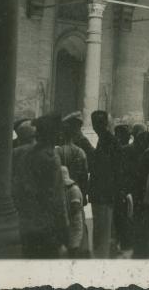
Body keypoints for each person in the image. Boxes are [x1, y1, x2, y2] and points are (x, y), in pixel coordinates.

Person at [12, 112, 68, 259]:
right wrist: (63, 231)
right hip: (46, 227)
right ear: (52, 133)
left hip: (27, 223)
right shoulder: (50, 157)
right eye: (59, 130)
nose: (62, 134)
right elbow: (56, 198)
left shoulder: (26, 153)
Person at [88, 110, 121, 259]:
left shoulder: (108, 141)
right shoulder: (106, 139)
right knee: (102, 230)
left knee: (103, 230)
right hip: (103, 194)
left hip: (104, 194)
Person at [125, 131, 149, 258]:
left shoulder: (147, 155)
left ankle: (142, 249)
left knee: (141, 220)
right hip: (146, 193)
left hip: (142, 193)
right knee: (146, 219)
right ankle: (144, 247)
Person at [57, 120, 89, 206]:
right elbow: (84, 175)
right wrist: (84, 194)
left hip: (60, 190)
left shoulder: (57, 152)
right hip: (76, 190)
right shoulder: (80, 152)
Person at [60, 166, 89, 258]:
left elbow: (75, 207)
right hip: (69, 225)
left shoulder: (74, 190)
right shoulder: (65, 190)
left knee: (74, 249)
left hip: (74, 224)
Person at [113, 122, 132, 253]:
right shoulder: (125, 150)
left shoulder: (119, 150)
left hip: (121, 191)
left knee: (121, 218)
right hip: (123, 191)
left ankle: (122, 243)